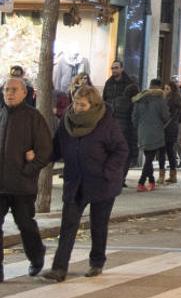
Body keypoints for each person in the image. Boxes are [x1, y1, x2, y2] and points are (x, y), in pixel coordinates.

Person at [41, 86, 128, 282]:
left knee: (98, 225)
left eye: (82, 105)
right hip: (75, 181)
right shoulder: (66, 122)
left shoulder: (106, 123)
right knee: (68, 225)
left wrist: (107, 172)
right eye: (76, 103)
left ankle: (97, 262)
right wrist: (39, 158)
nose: (78, 108)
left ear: (93, 105)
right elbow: (57, 147)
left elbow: (121, 150)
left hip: (101, 183)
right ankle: (59, 268)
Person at [0, 77, 52, 282]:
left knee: (25, 225)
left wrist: (28, 169)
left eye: (13, 90)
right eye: (6, 90)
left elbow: (45, 151)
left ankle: (37, 255)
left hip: (22, 185)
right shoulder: (1, 114)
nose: (9, 94)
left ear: (24, 93)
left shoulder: (33, 117)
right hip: (1, 185)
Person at [101, 61, 138, 186]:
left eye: (116, 68)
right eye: (112, 68)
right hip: (111, 121)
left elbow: (135, 103)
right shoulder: (109, 83)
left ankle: (121, 177)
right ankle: (113, 176)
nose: (114, 70)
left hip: (126, 123)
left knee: (124, 150)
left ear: (122, 68)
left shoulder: (129, 84)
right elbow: (104, 100)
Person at [131, 79, 169, 192]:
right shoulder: (160, 100)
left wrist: (139, 127)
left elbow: (134, 118)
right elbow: (165, 116)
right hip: (156, 131)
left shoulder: (139, 98)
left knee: (149, 157)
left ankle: (151, 181)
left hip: (142, 131)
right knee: (149, 159)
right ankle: (141, 182)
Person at [158, 81, 181, 184]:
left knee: (166, 152)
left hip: (168, 129)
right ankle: (171, 175)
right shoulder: (169, 100)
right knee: (168, 152)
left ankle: (164, 176)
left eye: (167, 89)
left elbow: (169, 116)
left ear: (172, 90)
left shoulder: (173, 101)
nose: (165, 91)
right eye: (164, 88)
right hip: (170, 128)